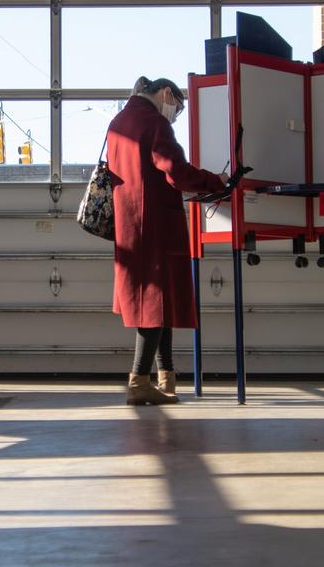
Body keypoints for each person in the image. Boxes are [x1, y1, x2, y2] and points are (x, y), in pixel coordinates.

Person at [107, 76, 226, 405]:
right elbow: (176, 171)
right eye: (178, 106)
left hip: (131, 223)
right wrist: (216, 180)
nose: (176, 113)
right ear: (165, 93)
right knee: (154, 303)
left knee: (160, 301)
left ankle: (166, 377)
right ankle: (139, 381)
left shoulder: (119, 121)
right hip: (156, 224)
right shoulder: (154, 122)